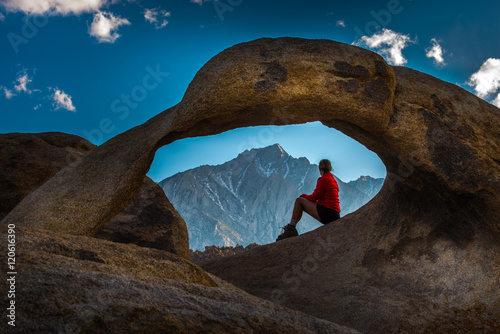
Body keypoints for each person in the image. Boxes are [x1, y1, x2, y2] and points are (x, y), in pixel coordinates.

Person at [276, 159, 341, 241]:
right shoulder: (333, 180)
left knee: (299, 201)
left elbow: (313, 197)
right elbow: (321, 199)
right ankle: (291, 228)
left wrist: (303, 196)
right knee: (302, 200)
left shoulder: (324, 180)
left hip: (328, 213)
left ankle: (291, 229)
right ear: (330, 168)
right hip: (335, 213)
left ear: (320, 169)